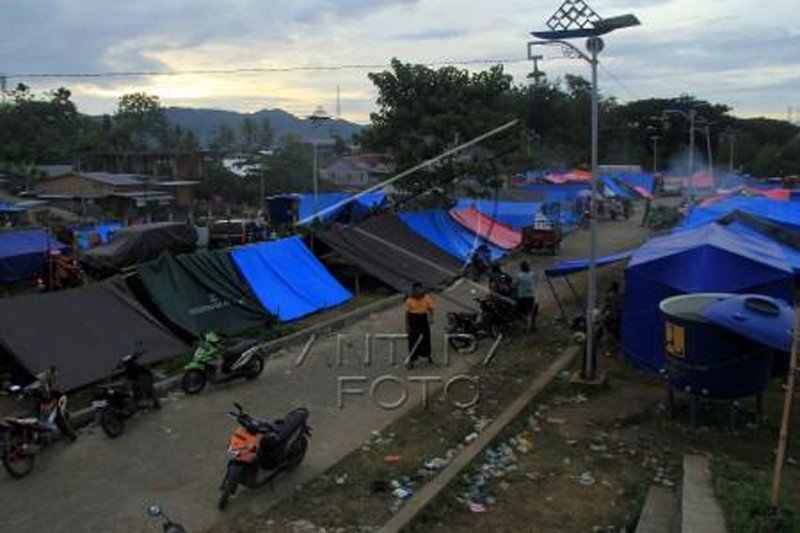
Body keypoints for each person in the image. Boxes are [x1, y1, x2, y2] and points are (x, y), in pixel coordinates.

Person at [405, 282, 435, 369]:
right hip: (413, 320)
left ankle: (428, 357)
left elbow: (431, 309)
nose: (418, 293)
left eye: (420, 290)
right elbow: (407, 314)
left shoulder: (426, 298)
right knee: (413, 341)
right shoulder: (409, 300)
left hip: (423, 319)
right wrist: (407, 325)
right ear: (413, 291)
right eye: (416, 291)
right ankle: (412, 360)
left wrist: (431, 317)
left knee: (426, 339)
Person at [515, 261, 537, 331]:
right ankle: (533, 326)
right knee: (532, 311)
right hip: (531, 295)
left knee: (524, 312)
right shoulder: (532, 274)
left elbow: (516, 284)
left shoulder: (519, 275)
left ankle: (525, 327)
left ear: (521, 268)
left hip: (522, 296)